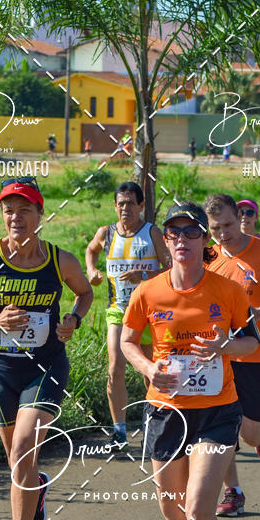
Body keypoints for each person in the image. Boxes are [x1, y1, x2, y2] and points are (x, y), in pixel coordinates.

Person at [121, 201, 260, 520]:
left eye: (191, 232)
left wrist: (224, 346)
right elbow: (128, 341)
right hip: (166, 412)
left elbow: (251, 342)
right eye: (174, 233)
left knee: (199, 509)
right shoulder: (149, 292)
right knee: (174, 515)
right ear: (166, 241)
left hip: (217, 411)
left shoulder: (229, 291)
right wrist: (149, 369)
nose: (182, 239)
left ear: (204, 240)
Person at [0, 177, 93, 520]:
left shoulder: (60, 260)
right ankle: (38, 487)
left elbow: (85, 293)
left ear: (40, 214)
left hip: (45, 366)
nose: (15, 217)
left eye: (24, 210)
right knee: (18, 461)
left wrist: (73, 319)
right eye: (9, 211)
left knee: (22, 451)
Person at [203, 193, 260, 516]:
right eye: (215, 228)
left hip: (255, 355)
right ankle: (233, 491)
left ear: (239, 220)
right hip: (217, 356)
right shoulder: (207, 257)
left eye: (228, 225)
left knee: (250, 433)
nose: (222, 234)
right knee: (223, 429)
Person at [85, 181, 170, 445]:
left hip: (150, 314)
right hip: (118, 310)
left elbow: (171, 268)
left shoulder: (152, 232)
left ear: (141, 205)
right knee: (115, 368)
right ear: (114, 206)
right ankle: (119, 432)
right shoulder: (106, 233)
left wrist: (143, 275)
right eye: (121, 204)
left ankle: (156, 424)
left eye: (131, 203)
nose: (125, 209)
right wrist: (91, 270)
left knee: (150, 372)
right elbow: (91, 250)